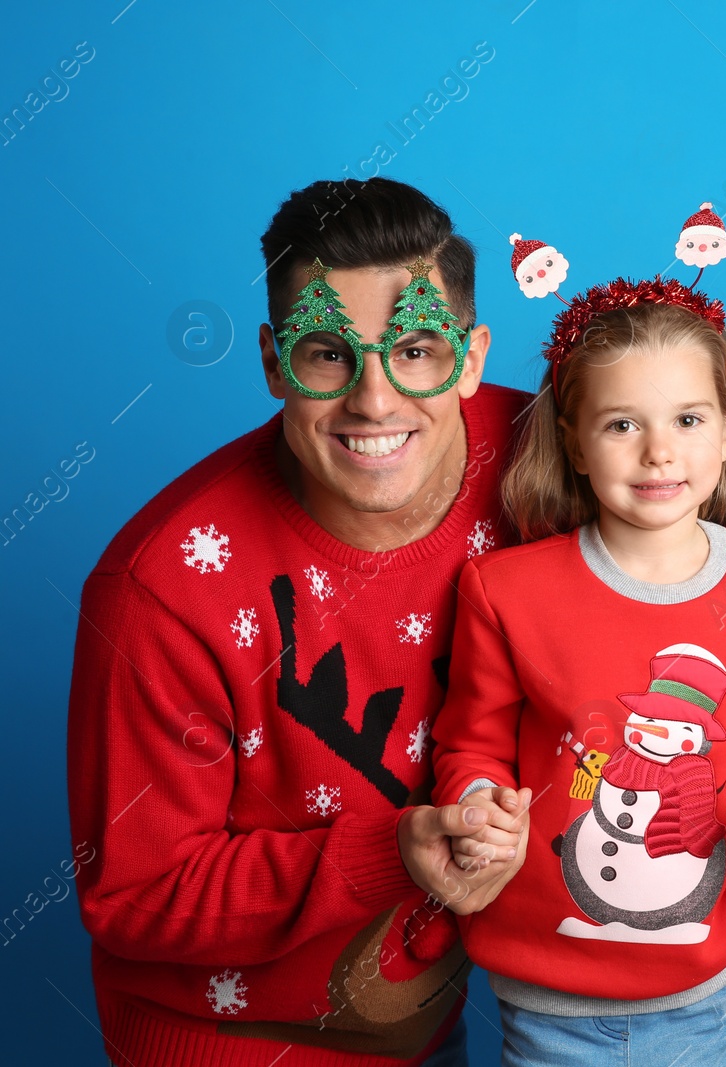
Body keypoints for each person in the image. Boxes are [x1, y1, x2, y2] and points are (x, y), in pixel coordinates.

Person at [66, 177, 533, 1067]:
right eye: (329, 355)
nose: (376, 399)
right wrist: (390, 852)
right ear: (275, 362)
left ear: (471, 359)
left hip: (434, 1021)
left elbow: (703, 571)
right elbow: (137, 892)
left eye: (419, 350)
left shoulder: (550, 454)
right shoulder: (161, 589)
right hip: (225, 1041)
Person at [428, 265, 726, 1067]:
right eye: (622, 424)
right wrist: (477, 804)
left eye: (688, 419)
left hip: (700, 980)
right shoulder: (505, 589)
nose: (659, 451)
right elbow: (469, 742)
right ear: (574, 442)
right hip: (546, 980)